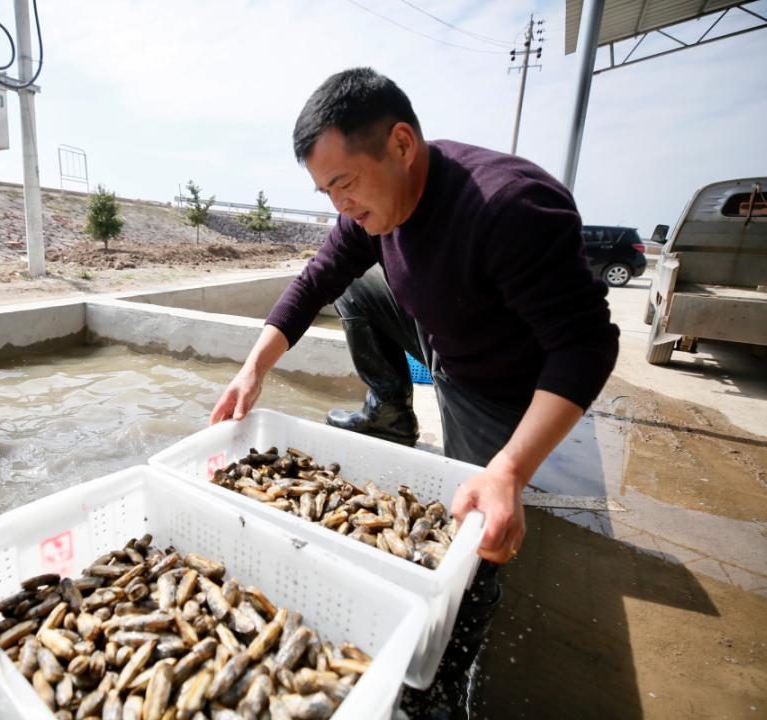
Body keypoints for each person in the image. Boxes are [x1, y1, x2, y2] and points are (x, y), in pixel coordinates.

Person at [209, 67, 619, 717]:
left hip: (501, 387)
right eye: (326, 192)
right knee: (350, 284)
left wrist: (511, 468)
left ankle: (445, 680)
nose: (339, 205)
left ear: (401, 145)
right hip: (442, 337)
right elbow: (315, 278)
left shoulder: (507, 208)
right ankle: (391, 412)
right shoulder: (373, 209)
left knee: (475, 540)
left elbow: (588, 346)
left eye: (343, 185)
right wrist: (252, 369)